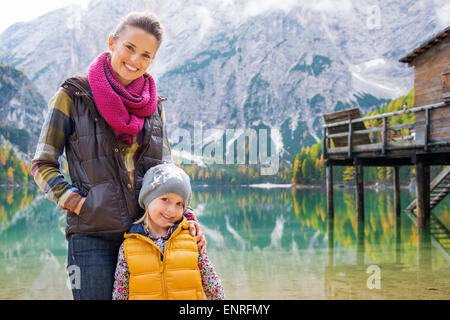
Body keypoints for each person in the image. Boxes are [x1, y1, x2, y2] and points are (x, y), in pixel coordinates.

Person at [31, 11, 206, 300]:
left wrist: (185, 215)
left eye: (146, 55)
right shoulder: (74, 95)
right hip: (91, 238)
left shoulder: (154, 106)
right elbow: (42, 163)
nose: (135, 60)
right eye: (129, 48)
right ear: (112, 42)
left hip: (146, 235)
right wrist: (78, 203)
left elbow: (166, 173)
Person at [112, 163, 225, 300]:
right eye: (165, 199)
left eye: (179, 204)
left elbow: (213, 286)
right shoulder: (128, 247)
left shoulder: (192, 238)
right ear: (148, 198)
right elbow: (120, 293)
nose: (171, 210)